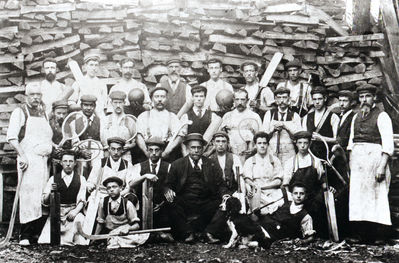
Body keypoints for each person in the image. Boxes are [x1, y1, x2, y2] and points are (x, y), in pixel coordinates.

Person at [7, 83, 53, 245]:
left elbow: (47, 138)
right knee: (28, 196)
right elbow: (12, 137)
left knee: (42, 196)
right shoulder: (20, 112)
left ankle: (37, 234)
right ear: (26, 96)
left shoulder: (44, 114)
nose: (35, 98)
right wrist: (23, 156)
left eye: (38, 95)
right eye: (32, 95)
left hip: (43, 161)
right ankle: (24, 235)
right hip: (29, 161)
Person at [347, 84, 394, 244]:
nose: (364, 100)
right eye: (361, 97)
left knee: (376, 197)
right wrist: (351, 163)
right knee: (359, 198)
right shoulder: (355, 117)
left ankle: (379, 235)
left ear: (374, 98)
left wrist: (382, 166)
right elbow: (351, 143)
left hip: (375, 161)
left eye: (367, 96)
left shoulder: (382, 116)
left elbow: (388, 145)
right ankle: (361, 234)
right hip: (359, 163)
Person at [163, 133, 228, 243]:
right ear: (188, 149)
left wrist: (224, 195)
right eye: (193, 148)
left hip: (206, 201)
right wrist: (167, 190)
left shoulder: (211, 164)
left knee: (227, 203)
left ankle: (209, 232)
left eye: (199, 148)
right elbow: (168, 184)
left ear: (203, 149)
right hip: (185, 201)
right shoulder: (177, 164)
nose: (196, 150)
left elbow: (221, 184)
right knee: (170, 203)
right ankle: (187, 233)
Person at [129, 137, 174, 242]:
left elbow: (171, 185)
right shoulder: (139, 166)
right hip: (143, 204)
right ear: (147, 151)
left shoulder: (168, 166)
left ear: (161, 151)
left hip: (161, 204)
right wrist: (144, 176)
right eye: (151, 150)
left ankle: (160, 233)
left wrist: (162, 201)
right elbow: (131, 184)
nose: (154, 153)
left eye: (157, 150)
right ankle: (154, 234)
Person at [38, 150, 87, 245]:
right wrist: (51, 191)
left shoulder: (81, 179)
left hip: (72, 213)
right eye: (65, 161)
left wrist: (75, 211)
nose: (68, 164)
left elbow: (82, 199)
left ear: (75, 163)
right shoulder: (53, 179)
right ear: (61, 163)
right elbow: (44, 200)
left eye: (71, 161)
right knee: (46, 241)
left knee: (79, 231)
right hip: (57, 213)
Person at [205, 131, 243, 243]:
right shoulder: (209, 160)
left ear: (227, 143)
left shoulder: (233, 157)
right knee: (223, 204)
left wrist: (239, 192)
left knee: (231, 202)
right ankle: (210, 232)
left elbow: (238, 177)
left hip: (232, 190)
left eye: (223, 141)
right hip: (215, 193)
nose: (220, 144)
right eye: (218, 141)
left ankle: (236, 232)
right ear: (213, 143)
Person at [95, 176, 148, 249]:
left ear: (120, 188)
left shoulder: (127, 204)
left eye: (114, 187)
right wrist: (94, 238)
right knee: (113, 241)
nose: (111, 190)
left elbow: (137, 225)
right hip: (111, 234)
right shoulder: (103, 202)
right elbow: (100, 222)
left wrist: (128, 229)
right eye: (109, 188)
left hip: (125, 233)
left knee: (134, 239)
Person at [136, 86, 186, 161]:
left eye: (162, 97)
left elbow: (179, 137)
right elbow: (138, 136)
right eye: (156, 96)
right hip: (147, 152)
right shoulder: (143, 116)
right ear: (152, 98)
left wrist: (166, 152)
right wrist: (146, 153)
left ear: (167, 99)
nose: (159, 99)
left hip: (166, 153)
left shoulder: (172, 117)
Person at [243, 132, 284, 215]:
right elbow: (247, 179)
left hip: (273, 192)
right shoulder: (250, 161)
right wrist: (253, 187)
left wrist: (260, 187)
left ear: (268, 144)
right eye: (259, 143)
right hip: (258, 194)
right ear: (255, 145)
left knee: (281, 203)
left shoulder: (275, 160)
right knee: (257, 211)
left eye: (264, 143)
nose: (262, 146)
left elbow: (278, 181)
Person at [263, 87, 301, 174]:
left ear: (289, 99)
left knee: (289, 174)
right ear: (275, 100)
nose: (282, 101)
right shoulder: (269, 114)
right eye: (279, 98)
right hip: (272, 151)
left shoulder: (295, 116)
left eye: (284, 97)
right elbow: (263, 136)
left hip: (289, 152)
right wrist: (273, 130)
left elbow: (299, 138)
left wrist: (286, 128)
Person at [87, 137, 135, 204]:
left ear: (122, 150)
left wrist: (117, 196)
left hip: (120, 195)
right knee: (93, 204)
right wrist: (90, 186)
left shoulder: (128, 165)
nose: (116, 152)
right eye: (113, 149)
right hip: (102, 194)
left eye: (119, 149)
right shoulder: (100, 163)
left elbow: (128, 187)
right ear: (109, 149)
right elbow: (91, 181)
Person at [220, 89, 262, 163]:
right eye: (237, 99)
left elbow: (261, 137)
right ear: (233, 100)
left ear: (247, 100)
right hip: (230, 152)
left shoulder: (254, 116)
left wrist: (254, 149)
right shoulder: (227, 116)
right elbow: (221, 134)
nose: (240, 102)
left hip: (248, 153)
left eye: (243, 99)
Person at [302, 86, 340, 160]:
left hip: (327, 156)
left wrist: (321, 138)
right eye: (314, 99)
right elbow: (303, 138)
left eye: (320, 99)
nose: (317, 102)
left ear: (325, 99)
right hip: (311, 156)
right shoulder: (307, 117)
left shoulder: (333, 117)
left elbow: (336, 140)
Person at [101, 91, 136, 162]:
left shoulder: (130, 120)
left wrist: (130, 146)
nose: (118, 105)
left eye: (120, 103)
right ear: (111, 103)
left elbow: (134, 141)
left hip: (125, 155)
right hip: (109, 155)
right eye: (115, 102)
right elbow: (102, 139)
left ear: (124, 103)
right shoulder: (105, 120)